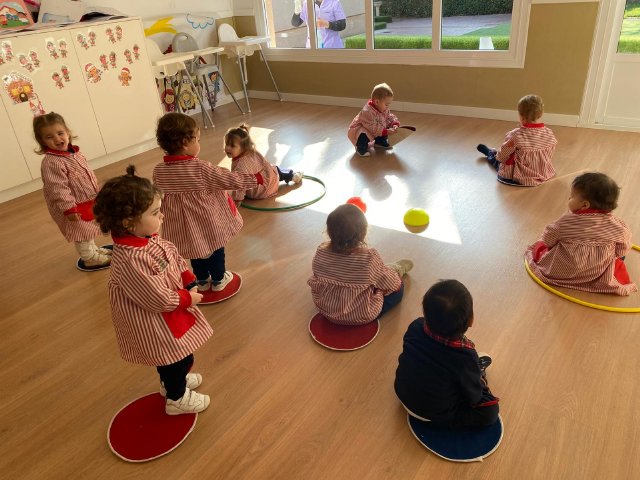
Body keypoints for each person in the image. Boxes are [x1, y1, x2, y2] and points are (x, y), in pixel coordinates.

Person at [93, 166, 212, 415]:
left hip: (170, 312)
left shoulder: (149, 237)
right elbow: (156, 299)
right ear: (128, 222)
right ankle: (177, 399)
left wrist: (187, 277)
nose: (162, 217)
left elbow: (173, 256)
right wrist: (187, 297)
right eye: (155, 213)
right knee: (174, 357)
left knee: (180, 355)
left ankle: (173, 384)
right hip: (155, 321)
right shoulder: (131, 260)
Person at [152, 113, 264, 293]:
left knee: (195, 251)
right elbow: (228, 179)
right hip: (208, 222)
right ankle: (219, 280)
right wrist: (254, 179)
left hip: (183, 227)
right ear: (185, 143)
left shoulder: (159, 171)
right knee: (215, 247)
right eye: (197, 139)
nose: (199, 143)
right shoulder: (201, 168)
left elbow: (157, 197)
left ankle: (202, 280)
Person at [394, 279, 499, 428]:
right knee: (490, 411)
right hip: (434, 413)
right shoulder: (465, 357)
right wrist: (478, 384)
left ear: (425, 312)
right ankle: (478, 374)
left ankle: (471, 375)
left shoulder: (416, 326)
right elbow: (474, 397)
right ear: (471, 320)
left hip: (402, 392)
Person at [525, 172, 636, 295]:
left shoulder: (565, 222)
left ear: (585, 205)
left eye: (572, 196)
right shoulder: (618, 226)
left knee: (541, 247)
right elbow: (623, 248)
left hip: (561, 271)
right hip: (596, 273)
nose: (569, 199)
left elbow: (548, 239)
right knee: (618, 256)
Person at [308, 203, 412, 325]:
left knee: (369, 278)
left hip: (326, 310)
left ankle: (380, 272)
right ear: (363, 233)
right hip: (361, 316)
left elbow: (317, 275)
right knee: (397, 287)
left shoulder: (321, 251)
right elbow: (391, 283)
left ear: (328, 231)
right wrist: (395, 279)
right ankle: (395, 269)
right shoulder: (368, 258)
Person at [34, 112, 111, 269]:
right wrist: (69, 208)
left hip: (86, 199)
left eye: (60, 133)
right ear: (42, 141)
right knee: (81, 232)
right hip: (71, 206)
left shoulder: (75, 153)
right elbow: (58, 189)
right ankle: (89, 258)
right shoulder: (52, 163)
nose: (57, 139)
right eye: (49, 137)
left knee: (88, 227)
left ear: (68, 133)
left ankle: (93, 250)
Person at [477, 94, 557, 186]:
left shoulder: (516, 135)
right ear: (541, 114)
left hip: (520, 175)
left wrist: (498, 158)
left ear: (521, 116)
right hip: (542, 172)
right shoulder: (549, 132)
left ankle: (490, 153)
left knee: (497, 161)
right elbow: (548, 154)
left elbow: (503, 154)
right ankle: (493, 152)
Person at [225, 124, 303, 203]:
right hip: (261, 188)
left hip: (260, 190)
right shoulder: (251, 152)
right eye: (226, 144)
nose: (227, 148)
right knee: (274, 170)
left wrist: (236, 200)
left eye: (232, 146)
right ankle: (291, 175)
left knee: (275, 170)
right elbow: (265, 165)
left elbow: (239, 186)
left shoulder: (241, 166)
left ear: (243, 147)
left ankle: (291, 175)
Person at [348, 82, 400, 157]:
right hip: (359, 130)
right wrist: (386, 131)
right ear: (377, 102)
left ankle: (380, 142)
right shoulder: (367, 112)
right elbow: (372, 127)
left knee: (384, 125)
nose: (388, 107)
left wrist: (394, 123)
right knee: (363, 134)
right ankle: (360, 148)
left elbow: (389, 116)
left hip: (374, 130)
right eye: (386, 104)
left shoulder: (384, 109)